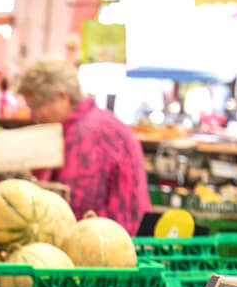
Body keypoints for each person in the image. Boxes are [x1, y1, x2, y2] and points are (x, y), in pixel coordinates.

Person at [17, 57, 150, 233]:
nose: (33, 115)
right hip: (118, 239)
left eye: (35, 106)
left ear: (62, 96)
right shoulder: (94, 122)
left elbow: (76, 208)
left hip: (105, 246)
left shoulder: (86, 135)